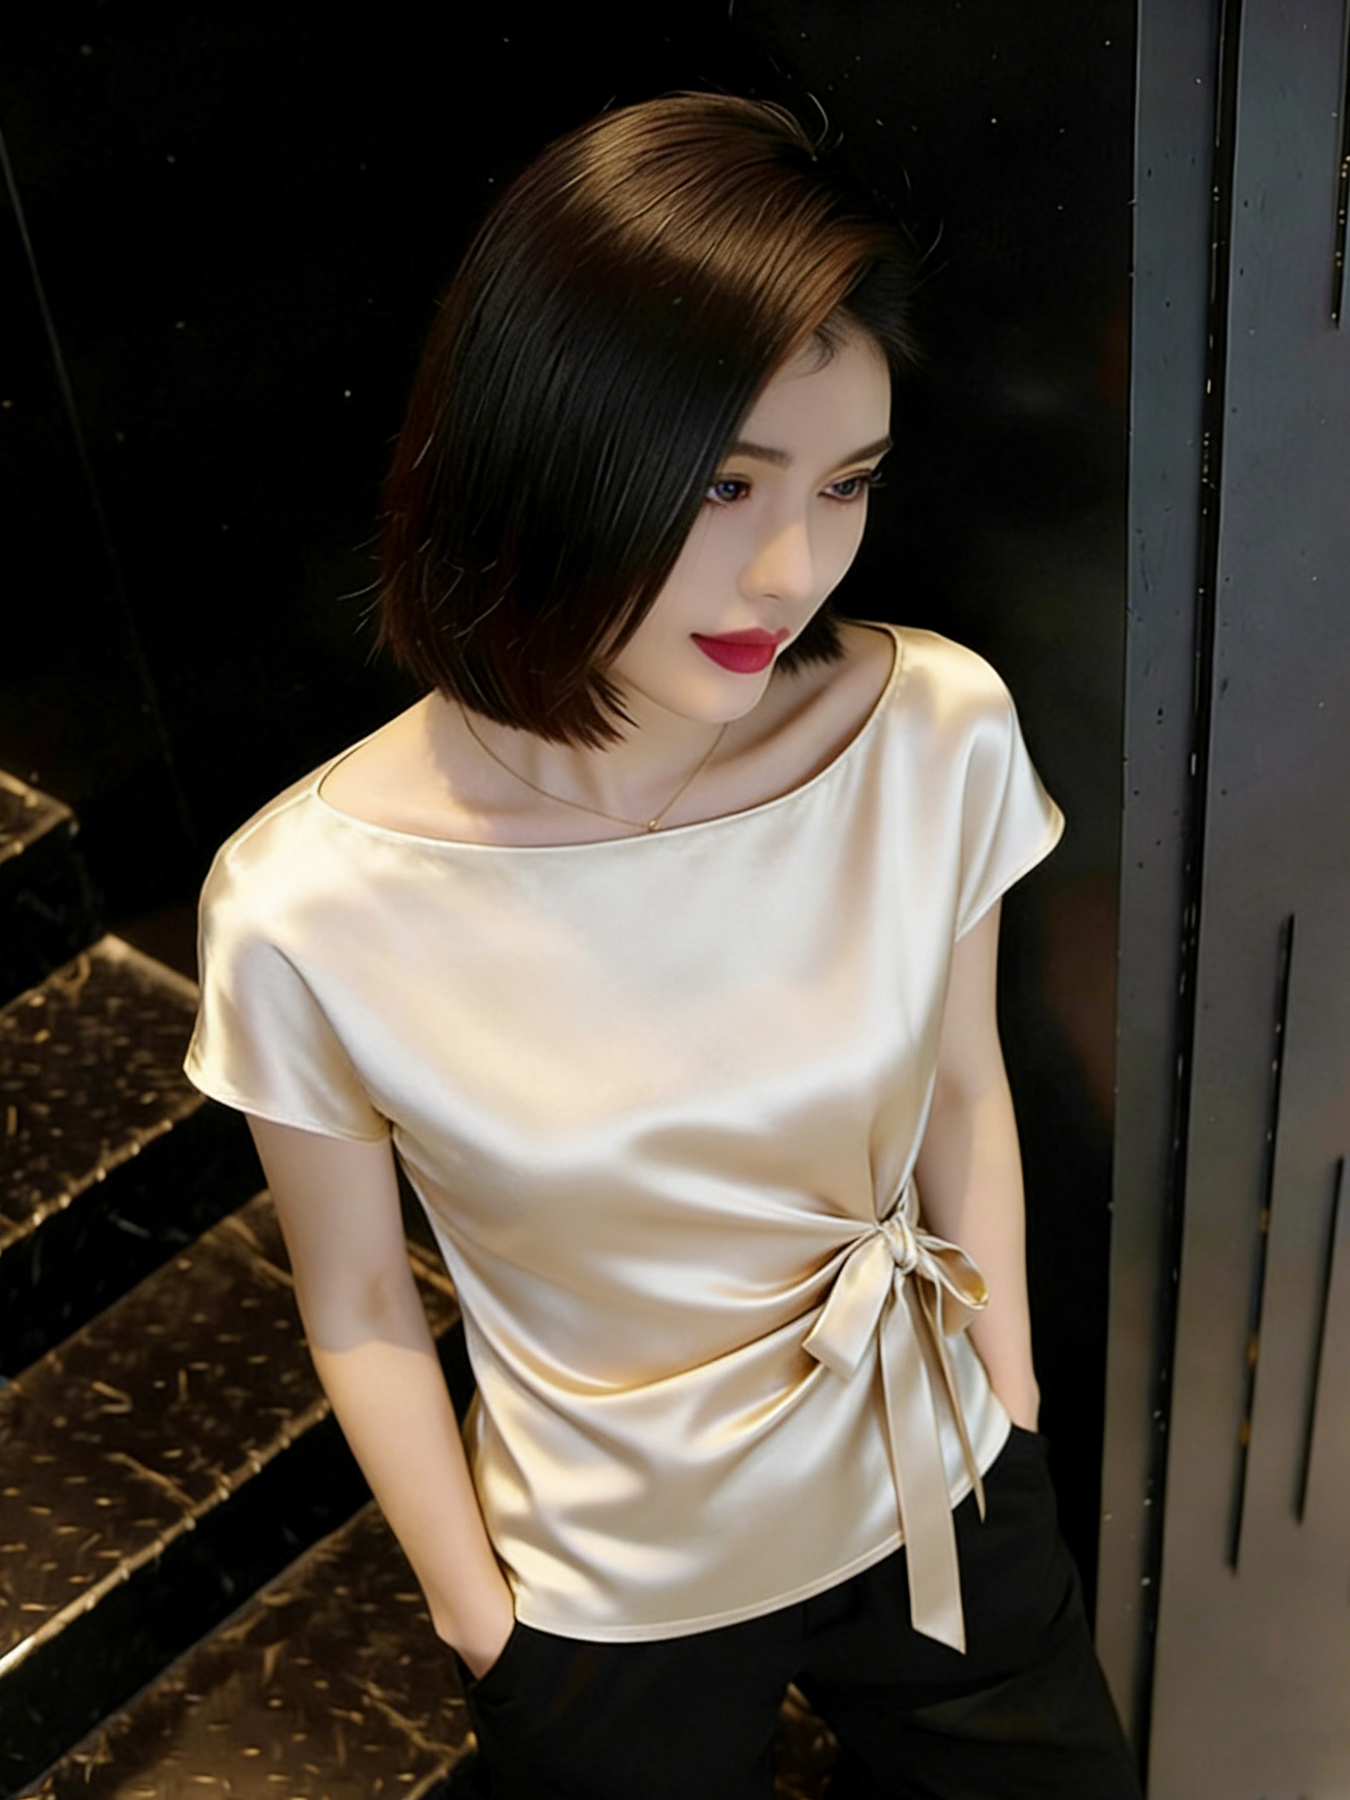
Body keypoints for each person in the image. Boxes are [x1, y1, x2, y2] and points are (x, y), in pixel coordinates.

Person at [183, 91, 1143, 1799]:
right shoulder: (308, 901)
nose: (789, 568)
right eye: (722, 482)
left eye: (843, 485)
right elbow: (359, 1300)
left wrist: (1000, 1396)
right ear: (548, 448)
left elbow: (963, 1089)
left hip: (935, 1484)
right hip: (608, 1597)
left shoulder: (928, 730)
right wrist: (483, 1621)